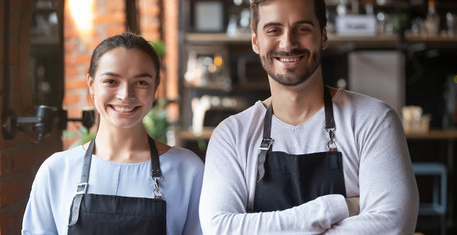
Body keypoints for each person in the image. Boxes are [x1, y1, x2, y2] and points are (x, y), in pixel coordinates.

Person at [199, 0, 419, 234]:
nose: (288, 43)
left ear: (324, 36)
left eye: (302, 28)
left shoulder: (373, 121)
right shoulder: (231, 136)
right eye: (273, 30)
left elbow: (393, 226)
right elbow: (219, 228)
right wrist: (334, 207)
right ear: (255, 41)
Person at [22, 32, 204, 235]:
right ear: (91, 84)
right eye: (111, 81)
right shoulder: (56, 171)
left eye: (141, 82)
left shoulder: (188, 170)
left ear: (155, 88)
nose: (126, 95)